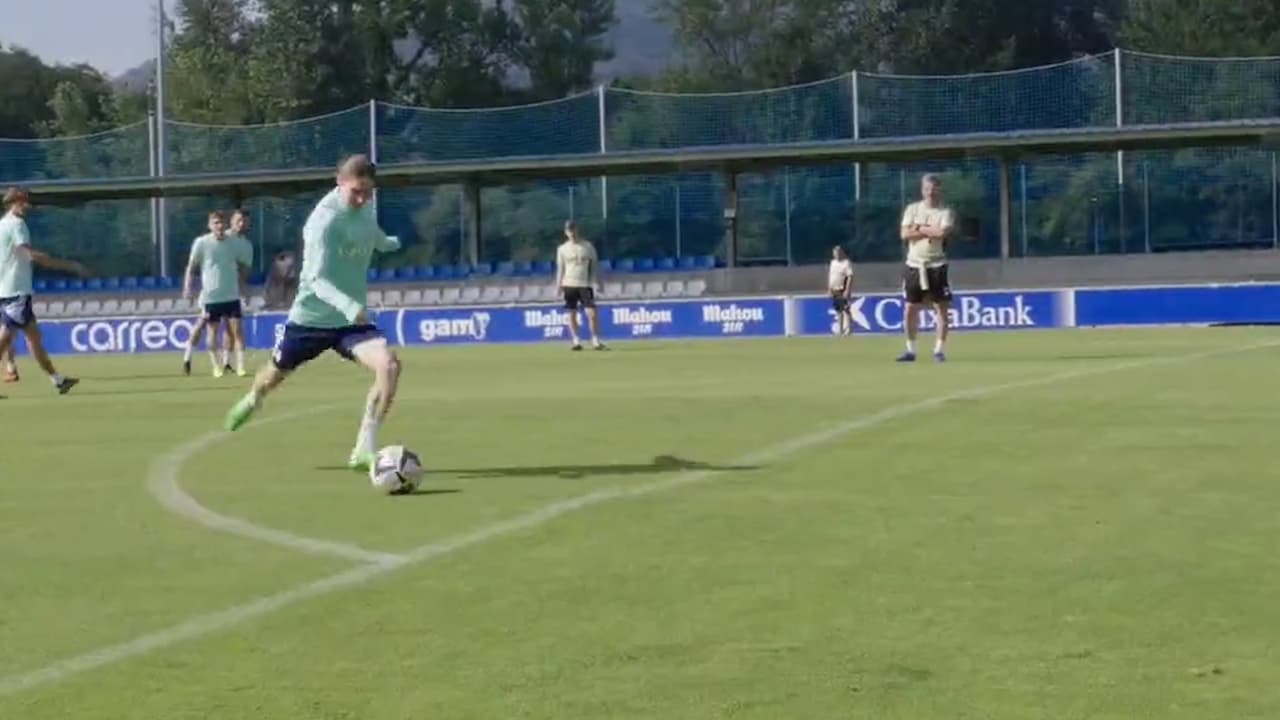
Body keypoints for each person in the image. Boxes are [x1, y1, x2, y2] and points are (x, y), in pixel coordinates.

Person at [224, 155, 402, 472]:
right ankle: (253, 398)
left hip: (350, 324)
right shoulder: (322, 221)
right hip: (311, 319)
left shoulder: (366, 209)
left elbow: (370, 232)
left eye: (368, 192)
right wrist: (349, 305)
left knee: (388, 366)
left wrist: (388, 243)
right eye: (355, 192)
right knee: (274, 376)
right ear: (340, 183)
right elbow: (314, 279)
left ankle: (364, 448)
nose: (362, 199)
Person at [0, 187, 86, 396]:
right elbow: (29, 254)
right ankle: (57, 380)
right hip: (16, 290)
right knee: (7, 338)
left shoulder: (2, 224)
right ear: (15, 202)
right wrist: (67, 266)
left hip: (8, 288)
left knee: (33, 337)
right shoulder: (17, 224)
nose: (28, 205)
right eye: (24, 201)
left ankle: (58, 380)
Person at [182, 210, 252, 377]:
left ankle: (236, 365)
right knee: (208, 328)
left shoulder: (235, 243)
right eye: (215, 223)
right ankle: (200, 360)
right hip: (210, 296)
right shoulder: (201, 243)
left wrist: (244, 289)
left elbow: (242, 267)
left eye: (222, 223)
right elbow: (191, 267)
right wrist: (188, 287)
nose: (219, 226)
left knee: (235, 330)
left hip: (231, 295)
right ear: (209, 225)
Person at [898, 173, 955, 362]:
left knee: (941, 308)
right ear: (923, 190)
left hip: (936, 264)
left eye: (934, 189)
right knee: (910, 309)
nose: (930, 192)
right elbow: (905, 234)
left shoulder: (945, 212)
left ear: (940, 190)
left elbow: (941, 233)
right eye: (927, 189)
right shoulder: (912, 209)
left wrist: (920, 228)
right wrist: (927, 230)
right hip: (914, 264)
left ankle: (939, 350)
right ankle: (910, 350)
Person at [555, 220, 606, 351]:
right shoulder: (562, 249)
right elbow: (560, 269)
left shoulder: (587, 247)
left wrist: (597, 282)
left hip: (585, 284)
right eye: (568, 230)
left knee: (592, 313)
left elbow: (594, 267)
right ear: (566, 232)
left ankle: (595, 340)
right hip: (569, 284)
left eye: (573, 229)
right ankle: (576, 340)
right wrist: (558, 286)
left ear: (577, 230)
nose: (571, 232)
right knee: (572, 313)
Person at [827, 245, 854, 336]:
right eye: (835, 253)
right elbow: (831, 276)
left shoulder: (846, 263)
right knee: (838, 310)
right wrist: (829, 288)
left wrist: (847, 289)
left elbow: (850, 276)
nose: (836, 255)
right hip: (834, 288)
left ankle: (849, 328)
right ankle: (841, 329)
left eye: (838, 253)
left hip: (842, 288)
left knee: (846, 309)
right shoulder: (833, 263)